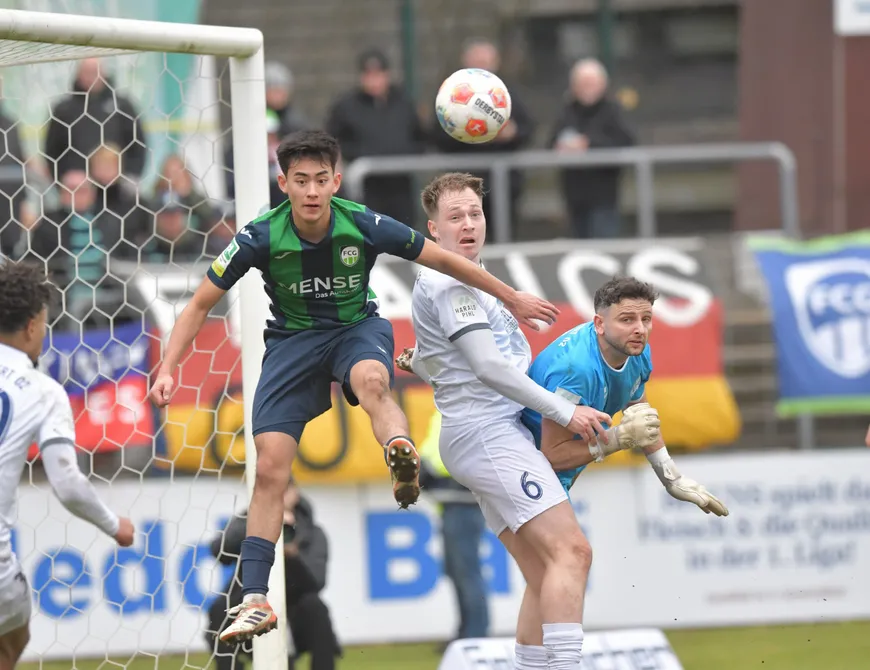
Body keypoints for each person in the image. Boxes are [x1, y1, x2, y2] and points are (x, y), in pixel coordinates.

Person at [147, 130, 557, 644]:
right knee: (271, 464)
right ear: (284, 184)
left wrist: (510, 296)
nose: (313, 190)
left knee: (372, 381)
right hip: (293, 345)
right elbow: (200, 303)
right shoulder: (259, 236)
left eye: (322, 179)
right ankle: (254, 599)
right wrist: (167, 368)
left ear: (336, 181)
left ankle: (398, 450)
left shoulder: (362, 222)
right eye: (301, 181)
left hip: (354, 330)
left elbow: (443, 259)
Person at [402, 172, 643, 669]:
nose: (468, 224)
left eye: (475, 213)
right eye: (455, 217)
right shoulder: (452, 284)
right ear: (433, 231)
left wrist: (423, 362)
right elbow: (490, 367)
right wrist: (565, 412)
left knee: (544, 571)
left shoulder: (466, 277)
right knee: (573, 553)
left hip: (486, 434)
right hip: (488, 434)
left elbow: (461, 360)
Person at [0, 261, 135, 670]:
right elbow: (67, 483)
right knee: (12, 639)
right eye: (44, 323)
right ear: (31, 327)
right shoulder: (42, 391)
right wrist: (115, 524)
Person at [521, 276, 730, 523]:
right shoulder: (575, 370)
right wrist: (619, 438)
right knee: (575, 554)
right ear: (599, 324)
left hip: (555, 472)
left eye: (646, 319)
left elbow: (641, 415)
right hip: (524, 466)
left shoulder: (636, 351)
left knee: (569, 557)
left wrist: (672, 479)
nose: (640, 329)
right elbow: (551, 455)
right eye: (627, 320)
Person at [207, 477, 340, 670]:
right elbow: (219, 552)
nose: (278, 496)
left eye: (285, 490)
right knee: (220, 609)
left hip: (295, 607)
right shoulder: (249, 520)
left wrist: (293, 556)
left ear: (295, 493)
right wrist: (259, 525)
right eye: (272, 490)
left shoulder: (312, 533)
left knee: (316, 608)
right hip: (252, 601)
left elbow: (316, 582)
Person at [417, 411, 489, 643]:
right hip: (452, 503)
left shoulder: (460, 407)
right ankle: (466, 633)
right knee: (458, 572)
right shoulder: (447, 406)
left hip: (462, 503)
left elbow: (451, 453)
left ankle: (475, 636)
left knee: (466, 573)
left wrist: (426, 468)